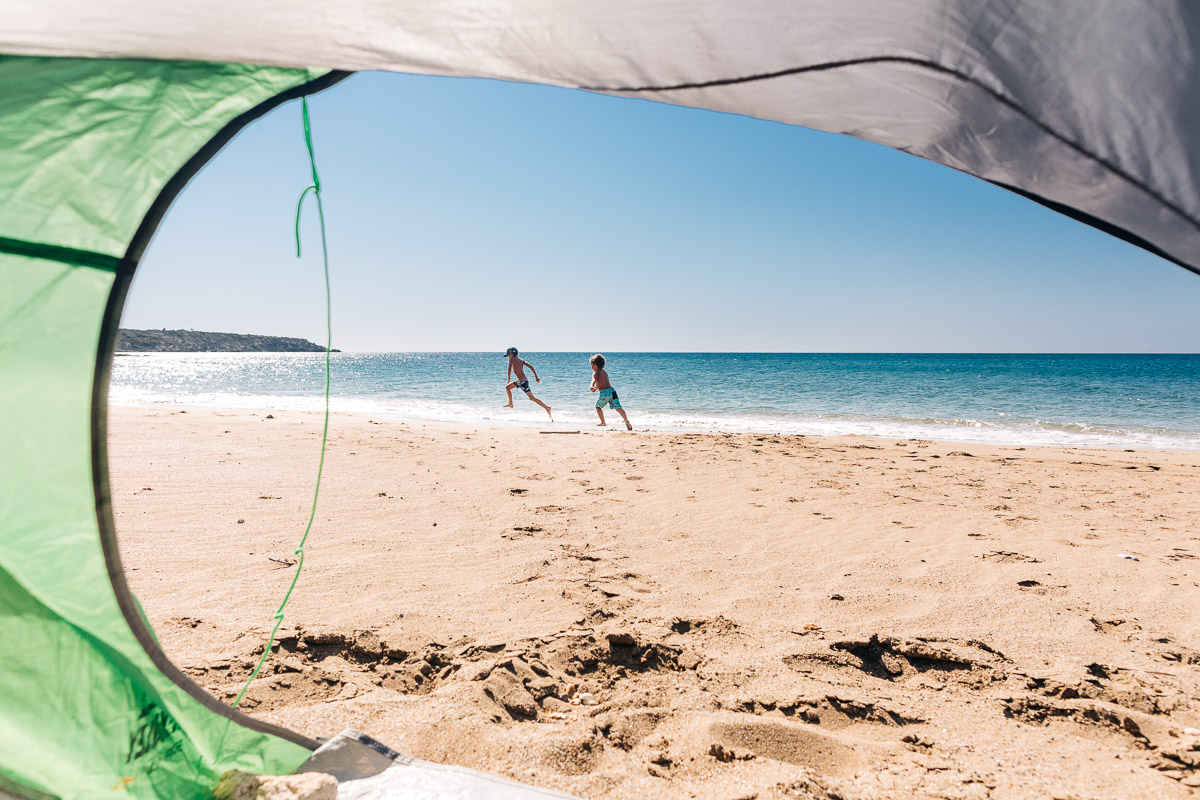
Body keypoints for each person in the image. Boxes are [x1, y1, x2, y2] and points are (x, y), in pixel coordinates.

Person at [502, 347, 552, 420]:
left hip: (522, 382)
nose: (508, 357)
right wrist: (536, 377)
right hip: (523, 382)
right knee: (531, 397)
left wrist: (509, 378)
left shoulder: (511, 359)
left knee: (508, 388)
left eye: (508, 355)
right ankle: (547, 408)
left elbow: (509, 368)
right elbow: (531, 367)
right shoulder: (521, 361)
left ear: (510, 354)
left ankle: (511, 404)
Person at [589, 354, 632, 430]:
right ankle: (626, 420)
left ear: (595, 365)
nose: (591, 367)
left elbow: (594, 380)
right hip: (612, 391)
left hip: (605, 393)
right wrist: (597, 388)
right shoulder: (604, 372)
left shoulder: (596, 373)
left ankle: (603, 422)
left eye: (591, 365)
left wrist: (592, 386)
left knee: (598, 407)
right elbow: (604, 383)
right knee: (618, 408)